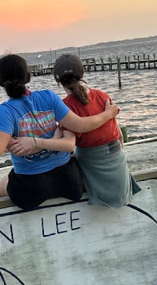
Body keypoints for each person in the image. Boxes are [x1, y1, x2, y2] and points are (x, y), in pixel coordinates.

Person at [0, 54, 121, 212]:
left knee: (0, 189)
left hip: (31, 189)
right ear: (27, 75)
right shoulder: (49, 96)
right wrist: (109, 114)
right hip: (70, 182)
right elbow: (81, 126)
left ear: (0, 81)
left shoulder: (5, 110)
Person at [52, 53, 140, 208]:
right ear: (82, 75)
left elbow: (69, 142)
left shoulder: (65, 106)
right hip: (116, 159)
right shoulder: (102, 96)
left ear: (58, 81)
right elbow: (118, 135)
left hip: (90, 161)